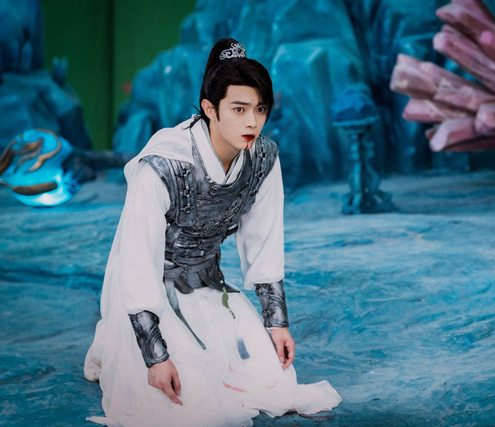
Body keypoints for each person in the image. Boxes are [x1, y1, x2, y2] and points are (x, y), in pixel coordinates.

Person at [84, 38, 341, 426]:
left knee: (273, 381)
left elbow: (264, 240)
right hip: (146, 291)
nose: (251, 122)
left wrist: (276, 322)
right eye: (238, 109)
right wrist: (156, 356)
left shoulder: (263, 158)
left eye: (260, 109)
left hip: (208, 285)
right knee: (181, 402)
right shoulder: (164, 165)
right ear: (209, 108)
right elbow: (136, 260)